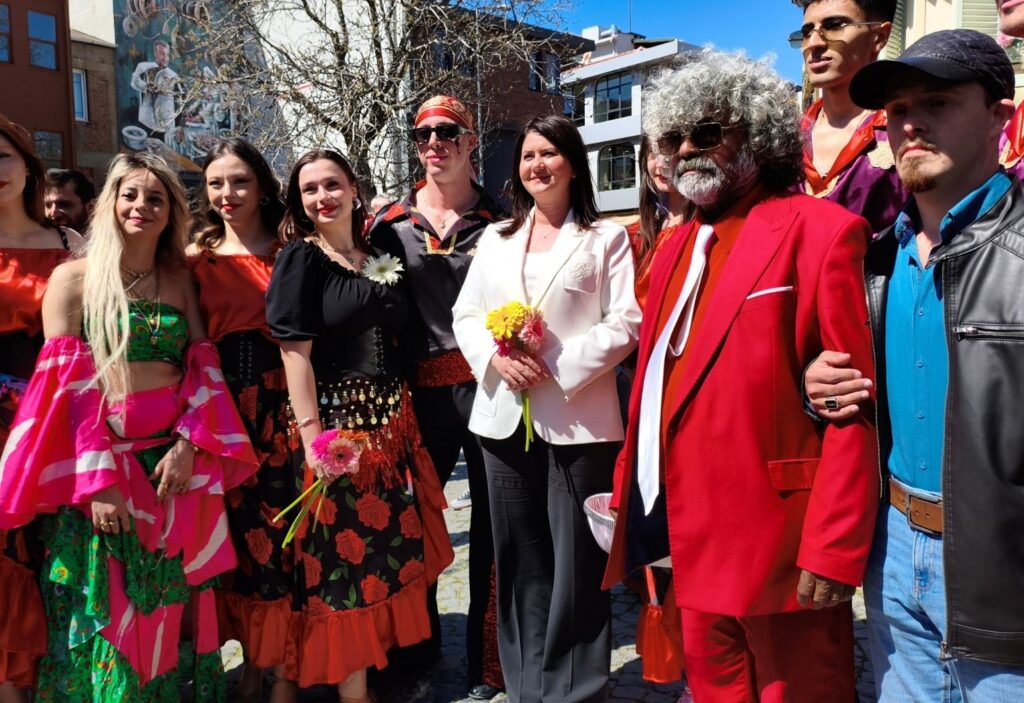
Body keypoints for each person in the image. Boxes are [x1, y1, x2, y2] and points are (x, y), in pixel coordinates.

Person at [602, 50, 879, 702]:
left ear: (757, 135)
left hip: (780, 547)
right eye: (672, 137)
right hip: (688, 538)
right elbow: (657, 385)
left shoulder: (823, 231)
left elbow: (854, 406)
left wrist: (833, 547)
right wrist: (627, 498)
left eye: (707, 132)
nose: (686, 149)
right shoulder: (672, 247)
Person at [805, 29, 1024, 700]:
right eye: (898, 109)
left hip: (1004, 566)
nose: (910, 124)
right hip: (894, 554)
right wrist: (819, 385)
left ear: (1000, 116)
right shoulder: (870, 260)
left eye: (937, 102)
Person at [0, 151, 258, 701]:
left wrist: (189, 445)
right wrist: (100, 484)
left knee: (165, 604)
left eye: (156, 198)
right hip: (103, 474)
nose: (142, 206)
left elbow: (203, 367)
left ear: (172, 212)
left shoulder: (179, 280)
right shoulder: (72, 279)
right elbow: (65, 394)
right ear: (110, 203)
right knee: (109, 612)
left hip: (171, 472)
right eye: (130, 194)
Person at [453, 113, 642, 703]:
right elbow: (465, 314)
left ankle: (575, 691)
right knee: (519, 561)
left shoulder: (606, 238)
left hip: (580, 420)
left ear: (574, 163)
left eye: (550, 153)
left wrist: (554, 363)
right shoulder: (495, 238)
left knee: (578, 565)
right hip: (502, 418)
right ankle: (527, 686)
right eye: (528, 156)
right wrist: (496, 359)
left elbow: (626, 321)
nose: (538, 165)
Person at [265, 148, 453, 703]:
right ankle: (352, 692)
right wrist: (313, 439)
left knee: (380, 555)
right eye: (309, 190)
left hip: (391, 431)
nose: (322, 197)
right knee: (339, 561)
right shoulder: (300, 258)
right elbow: (294, 354)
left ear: (353, 188)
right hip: (337, 434)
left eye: (331, 185)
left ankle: (367, 677)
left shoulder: (376, 253)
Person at [368, 95, 505, 700]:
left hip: (490, 390)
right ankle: (414, 656)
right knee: (412, 527)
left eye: (447, 132)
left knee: (495, 528)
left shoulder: (503, 222)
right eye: (421, 135)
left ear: (471, 140)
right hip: (416, 396)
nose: (433, 144)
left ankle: (489, 665)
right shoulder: (388, 224)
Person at [186, 138, 298, 703]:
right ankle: (251, 660)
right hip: (221, 408)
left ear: (261, 185)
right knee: (234, 541)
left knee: (281, 538)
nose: (227, 193)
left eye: (239, 181)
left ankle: (279, 668)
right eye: (215, 183)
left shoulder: (291, 249)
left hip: (284, 407)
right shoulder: (194, 259)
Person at [0, 116, 83, 703]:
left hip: (53, 413)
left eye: (2, 156)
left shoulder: (68, 244)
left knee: (47, 547)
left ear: (28, 166)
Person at [791, 0, 906, 233]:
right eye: (807, 32)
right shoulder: (783, 140)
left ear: (879, 37)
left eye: (834, 25)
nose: (814, 43)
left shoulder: (906, 131)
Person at [629, 136, 691, 309]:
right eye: (653, 153)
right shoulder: (635, 234)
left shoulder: (703, 228)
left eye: (671, 152)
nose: (661, 164)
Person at [129, 40, 178, 133]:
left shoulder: (173, 75)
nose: (165, 58)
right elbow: (134, 82)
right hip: (146, 121)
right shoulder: (143, 67)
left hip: (165, 125)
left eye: (167, 54)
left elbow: (176, 99)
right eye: (162, 54)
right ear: (155, 53)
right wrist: (147, 87)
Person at [44, 168, 96, 233]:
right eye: (48, 205)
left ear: (91, 208)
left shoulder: (105, 239)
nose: (53, 214)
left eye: (64, 205)